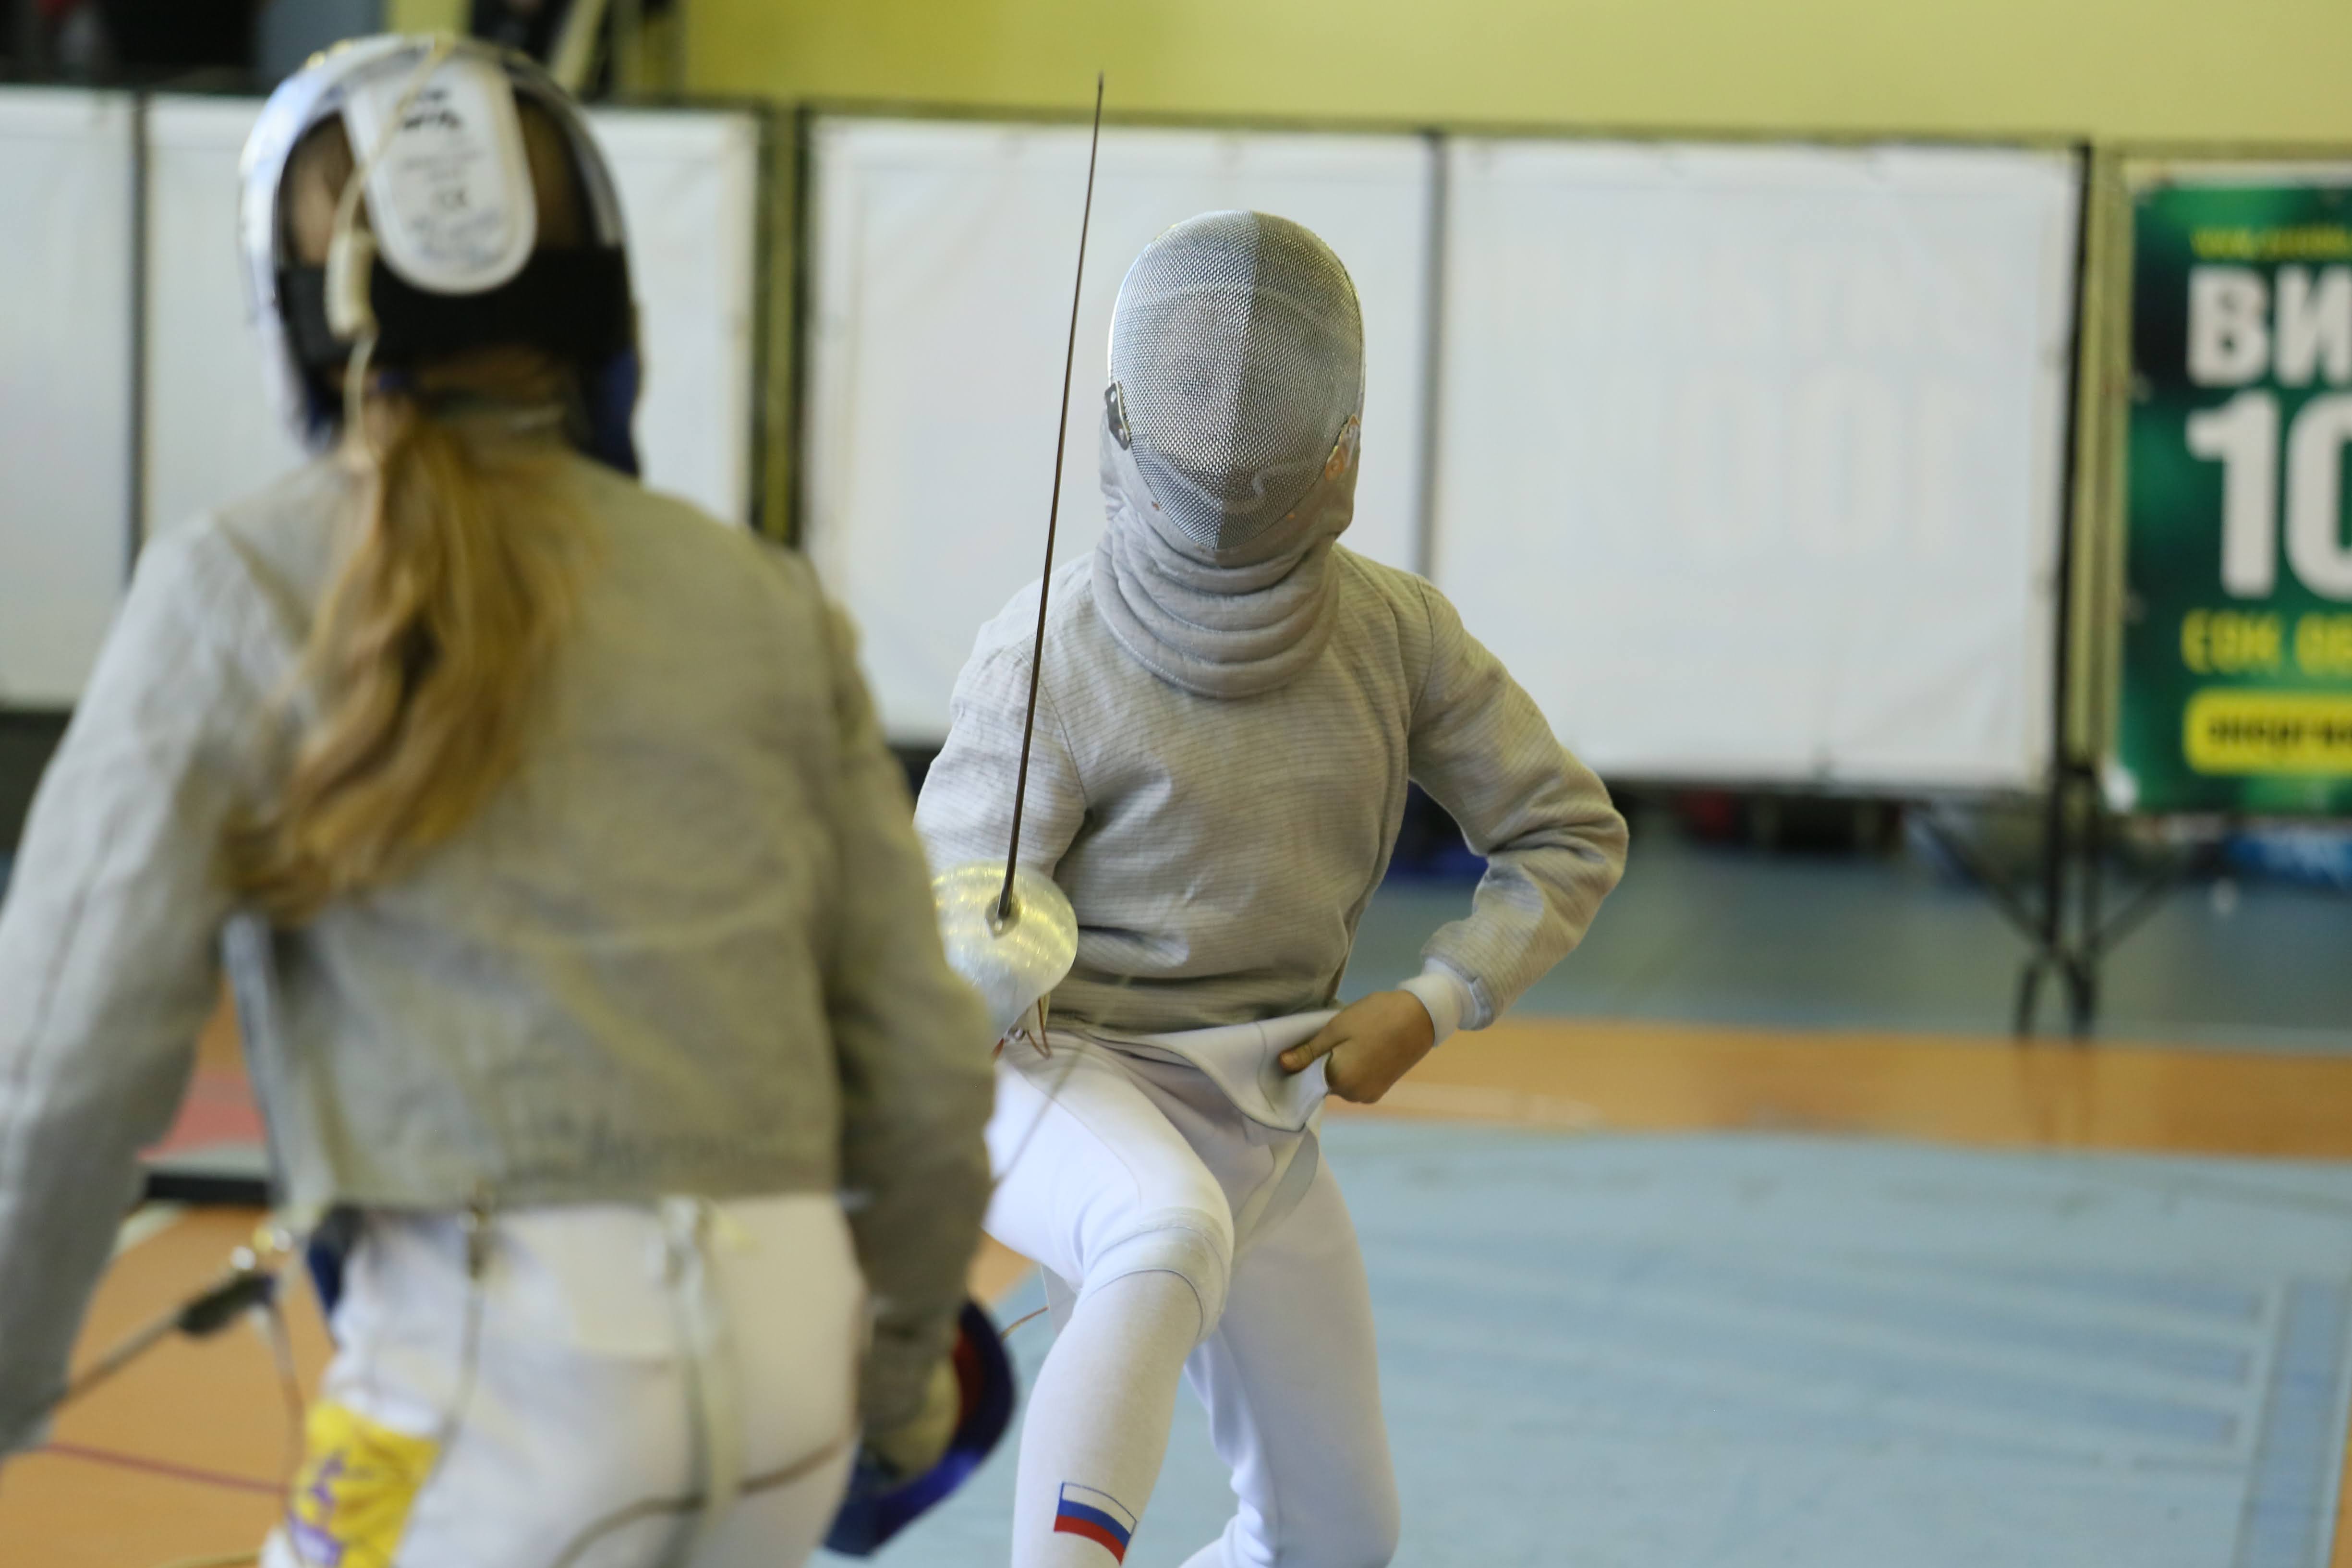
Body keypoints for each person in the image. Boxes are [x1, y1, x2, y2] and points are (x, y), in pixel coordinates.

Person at [0, 36, 992, 1567]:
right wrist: (900, 1386)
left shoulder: (236, 582)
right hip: (794, 1382)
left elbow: (61, 1060)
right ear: (603, 302)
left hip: (495, 1385)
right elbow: (923, 1067)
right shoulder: (756, 596)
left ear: (299, 318)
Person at [916, 210, 1629, 1568]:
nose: (1231, 430)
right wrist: (973, 966)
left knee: (1334, 1539)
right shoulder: (1050, 648)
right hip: (1059, 1079)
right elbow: (939, 917)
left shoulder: (1394, 637)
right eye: (1200, 397)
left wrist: (1433, 1002)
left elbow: (1566, 831)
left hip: (1263, 1099)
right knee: (1160, 1222)